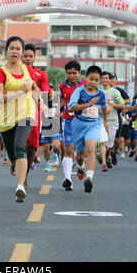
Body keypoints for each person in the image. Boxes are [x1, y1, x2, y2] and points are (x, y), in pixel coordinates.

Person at [0, 36, 39, 202]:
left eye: (18, 49)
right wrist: (20, 91)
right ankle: (16, 168)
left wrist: (37, 97)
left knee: (21, 146)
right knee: (13, 156)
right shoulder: (0, 72)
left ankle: (20, 186)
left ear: (22, 51)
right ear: (6, 50)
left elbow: (34, 86)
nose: (15, 51)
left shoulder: (28, 70)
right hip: (6, 120)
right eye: (12, 48)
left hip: (26, 114)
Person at [68, 66, 108, 193]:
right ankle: (81, 166)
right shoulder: (79, 91)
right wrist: (88, 104)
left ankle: (89, 178)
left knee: (91, 148)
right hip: (79, 124)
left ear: (99, 81)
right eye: (91, 79)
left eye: (96, 80)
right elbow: (71, 108)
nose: (93, 82)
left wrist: (105, 122)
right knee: (80, 156)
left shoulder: (101, 94)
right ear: (86, 78)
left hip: (94, 125)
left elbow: (104, 108)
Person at [21, 44, 48, 181]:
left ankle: (24, 175)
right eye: (25, 56)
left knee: (31, 147)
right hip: (16, 111)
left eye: (30, 56)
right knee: (18, 144)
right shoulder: (13, 72)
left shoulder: (41, 74)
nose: (27, 59)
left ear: (34, 58)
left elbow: (45, 92)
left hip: (34, 113)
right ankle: (17, 164)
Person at [58, 61, 85, 190]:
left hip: (84, 122)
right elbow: (62, 99)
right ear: (66, 73)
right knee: (69, 150)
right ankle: (68, 179)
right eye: (69, 73)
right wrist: (59, 110)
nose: (72, 76)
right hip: (69, 121)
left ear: (79, 73)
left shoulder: (86, 84)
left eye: (75, 73)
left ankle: (81, 165)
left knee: (80, 155)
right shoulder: (62, 86)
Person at [100, 72, 125, 171]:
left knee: (109, 145)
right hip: (100, 121)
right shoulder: (98, 92)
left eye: (107, 78)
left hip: (113, 121)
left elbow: (122, 105)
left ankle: (107, 155)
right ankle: (104, 164)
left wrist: (111, 104)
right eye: (103, 78)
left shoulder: (115, 92)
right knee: (102, 142)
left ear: (110, 80)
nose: (105, 80)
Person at [40, 84, 62, 172]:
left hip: (56, 126)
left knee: (56, 146)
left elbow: (63, 111)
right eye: (48, 90)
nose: (50, 91)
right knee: (45, 148)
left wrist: (58, 114)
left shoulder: (58, 100)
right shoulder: (43, 101)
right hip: (45, 127)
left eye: (52, 89)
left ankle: (56, 155)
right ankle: (48, 163)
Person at [110, 73, 131, 160]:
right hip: (104, 117)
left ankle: (113, 152)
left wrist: (118, 102)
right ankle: (104, 154)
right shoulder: (102, 90)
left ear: (116, 80)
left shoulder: (120, 90)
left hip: (116, 116)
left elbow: (129, 101)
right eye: (109, 78)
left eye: (112, 78)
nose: (110, 80)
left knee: (116, 139)